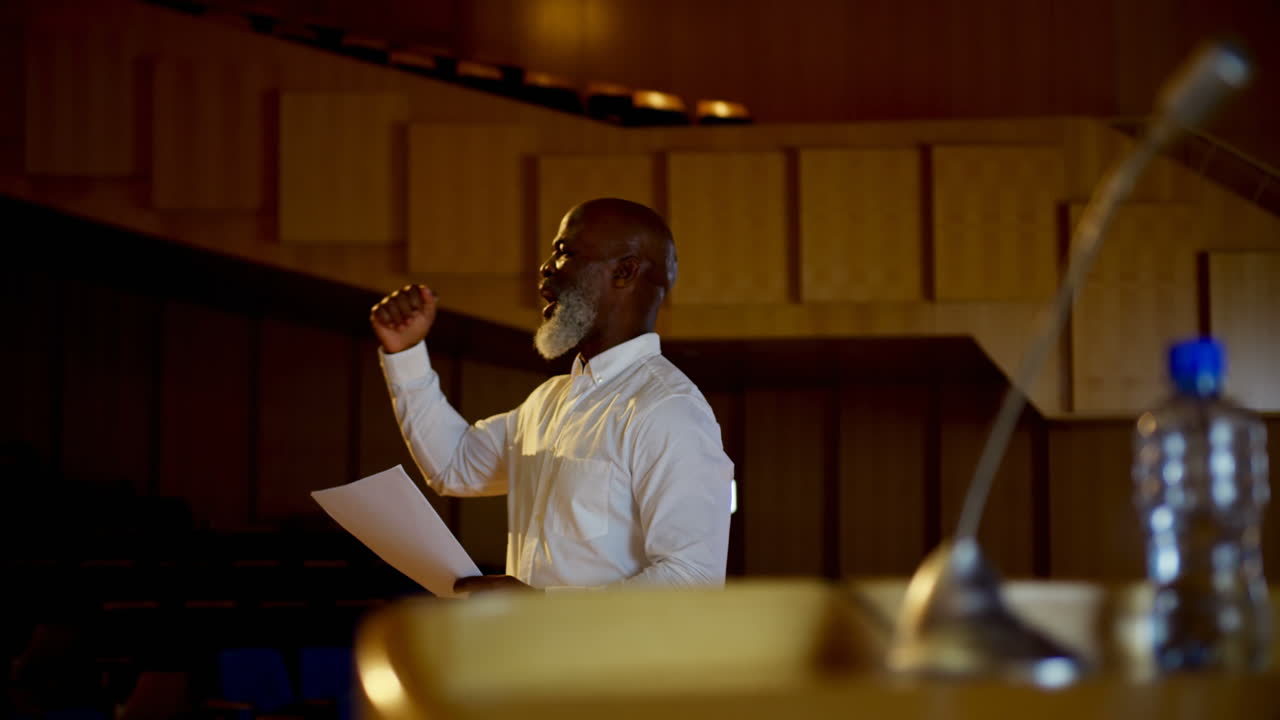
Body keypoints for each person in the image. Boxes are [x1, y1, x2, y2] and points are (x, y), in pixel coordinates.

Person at [370, 198, 733, 593]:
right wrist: (405, 352)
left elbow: (693, 579)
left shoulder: (668, 408)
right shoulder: (547, 401)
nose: (545, 268)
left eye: (564, 252)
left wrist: (542, 608)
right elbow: (454, 466)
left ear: (624, 271)